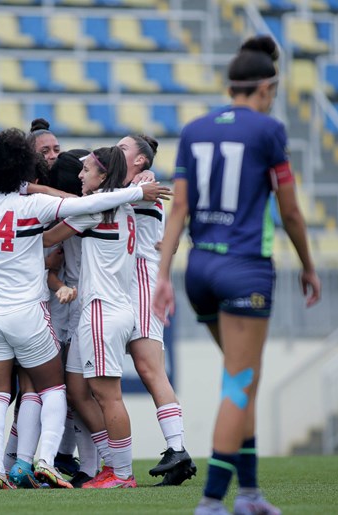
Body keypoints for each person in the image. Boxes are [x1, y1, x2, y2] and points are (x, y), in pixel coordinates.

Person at [0, 128, 170, 490]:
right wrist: (137, 190)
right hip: (32, 317)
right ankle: (44, 460)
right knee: (52, 390)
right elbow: (83, 205)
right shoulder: (34, 206)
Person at [152, 36, 321, 515]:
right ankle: (212, 502)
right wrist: (308, 265)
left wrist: (163, 275)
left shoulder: (195, 129)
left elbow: (179, 207)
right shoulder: (269, 131)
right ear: (266, 87)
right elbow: (289, 211)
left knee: (240, 378)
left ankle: (249, 495)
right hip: (245, 269)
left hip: (199, 268)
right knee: (240, 383)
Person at [42, 146, 141, 489]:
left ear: (103, 176)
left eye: (86, 171)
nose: (80, 176)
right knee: (78, 391)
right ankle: (112, 465)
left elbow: (47, 237)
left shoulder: (95, 211)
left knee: (107, 394)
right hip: (110, 306)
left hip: (101, 309)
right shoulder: (125, 206)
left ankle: (122, 474)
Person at [117, 134, 195, 486]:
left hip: (142, 284)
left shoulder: (143, 186)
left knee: (150, 368)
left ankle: (177, 448)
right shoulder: (124, 187)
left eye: (123, 149)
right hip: (125, 286)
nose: (116, 152)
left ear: (141, 162)